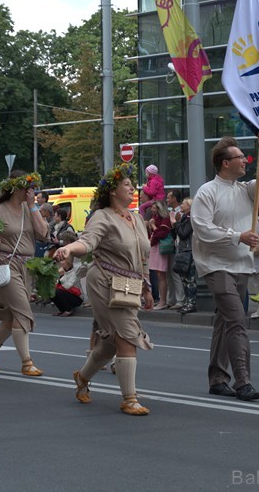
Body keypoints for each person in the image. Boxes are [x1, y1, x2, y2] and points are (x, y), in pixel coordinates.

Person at [54, 162, 154, 415]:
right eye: (126, 185)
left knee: (111, 343)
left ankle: (82, 377)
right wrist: (68, 249)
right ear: (112, 191)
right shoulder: (102, 216)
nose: (132, 189)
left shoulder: (136, 218)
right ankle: (129, 398)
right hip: (105, 282)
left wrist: (147, 287)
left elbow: (143, 257)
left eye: (132, 185)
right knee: (127, 336)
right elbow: (86, 242)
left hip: (130, 284)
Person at [192, 130, 259, 401]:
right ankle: (243, 382)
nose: (245, 160)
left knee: (224, 320)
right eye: (240, 157)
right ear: (224, 163)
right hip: (216, 264)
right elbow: (202, 228)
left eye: (245, 156)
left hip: (242, 264)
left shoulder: (248, 190)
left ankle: (218, 379)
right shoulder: (207, 192)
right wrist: (237, 236)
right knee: (236, 319)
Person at [0, 170, 49, 377]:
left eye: (32, 187)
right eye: (27, 186)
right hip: (6, 265)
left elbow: (44, 234)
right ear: (15, 187)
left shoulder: (29, 209)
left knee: (11, 317)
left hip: (27, 267)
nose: (30, 190)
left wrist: (33, 206)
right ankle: (26, 362)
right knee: (22, 312)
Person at [51, 231, 85, 317]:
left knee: (58, 291)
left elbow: (70, 264)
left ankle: (68, 309)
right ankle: (62, 309)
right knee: (52, 291)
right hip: (68, 287)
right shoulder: (67, 252)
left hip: (76, 293)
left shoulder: (74, 254)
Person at [147, 200, 172, 310]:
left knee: (161, 275)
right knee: (158, 275)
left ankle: (163, 301)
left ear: (159, 209)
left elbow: (161, 233)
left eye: (154, 208)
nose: (152, 210)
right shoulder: (156, 218)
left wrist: (152, 225)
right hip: (155, 247)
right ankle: (162, 300)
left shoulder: (164, 219)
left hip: (160, 248)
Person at [175, 197, 197, 314]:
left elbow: (183, 234)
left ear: (189, 206)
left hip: (189, 251)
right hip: (183, 250)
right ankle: (187, 302)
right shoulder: (184, 218)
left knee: (190, 279)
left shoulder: (190, 219)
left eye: (183, 203)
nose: (181, 205)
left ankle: (191, 303)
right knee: (183, 279)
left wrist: (177, 223)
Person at [165, 189, 186, 310]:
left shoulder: (180, 212)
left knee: (176, 273)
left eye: (169, 197)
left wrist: (175, 222)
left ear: (174, 199)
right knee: (169, 273)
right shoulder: (171, 212)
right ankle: (171, 299)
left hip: (179, 244)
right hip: (172, 245)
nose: (167, 200)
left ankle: (180, 299)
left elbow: (179, 228)